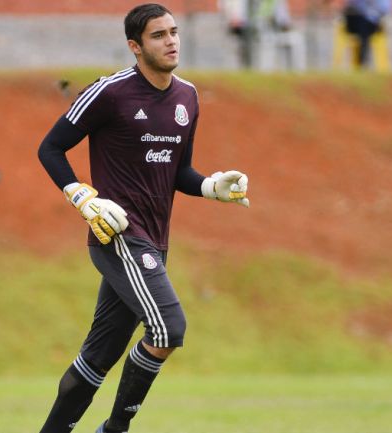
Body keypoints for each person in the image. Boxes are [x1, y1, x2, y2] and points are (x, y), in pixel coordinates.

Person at [36, 3, 249, 432]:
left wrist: (210, 186)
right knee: (169, 329)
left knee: (97, 358)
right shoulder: (110, 92)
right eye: (158, 35)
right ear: (135, 46)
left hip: (155, 240)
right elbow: (50, 148)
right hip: (118, 236)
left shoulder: (186, 96)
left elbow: (179, 172)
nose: (171, 41)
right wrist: (81, 196)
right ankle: (114, 429)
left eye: (173, 32)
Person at [341, 0, 392, 68]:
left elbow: (385, 9)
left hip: (374, 23)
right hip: (356, 21)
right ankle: (361, 63)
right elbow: (351, 6)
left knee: (364, 29)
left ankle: (362, 63)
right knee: (363, 26)